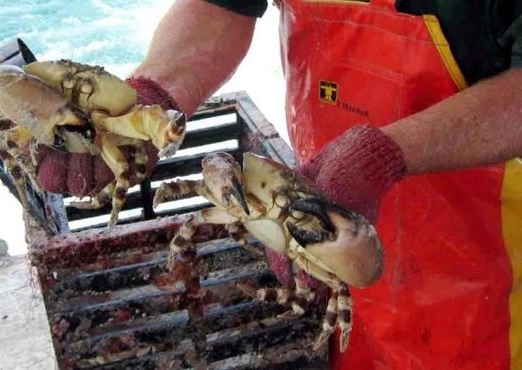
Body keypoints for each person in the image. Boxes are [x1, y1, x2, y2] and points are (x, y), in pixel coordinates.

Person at [37, 1, 522, 369]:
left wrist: (384, 154)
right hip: (338, 233)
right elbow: (222, 6)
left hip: (495, 266)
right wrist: (147, 104)